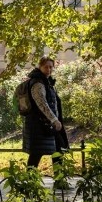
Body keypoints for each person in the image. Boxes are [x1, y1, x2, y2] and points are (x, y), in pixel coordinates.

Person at [22, 56, 70, 186]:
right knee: (36, 154)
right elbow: (42, 103)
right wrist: (54, 120)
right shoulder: (38, 83)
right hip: (39, 125)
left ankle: (59, 181)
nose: (49, 69)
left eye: (51, 67)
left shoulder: (47, 82)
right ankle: (29, 182)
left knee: (58, 151)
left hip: (48, 125)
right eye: (46, 67)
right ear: (40, 67)